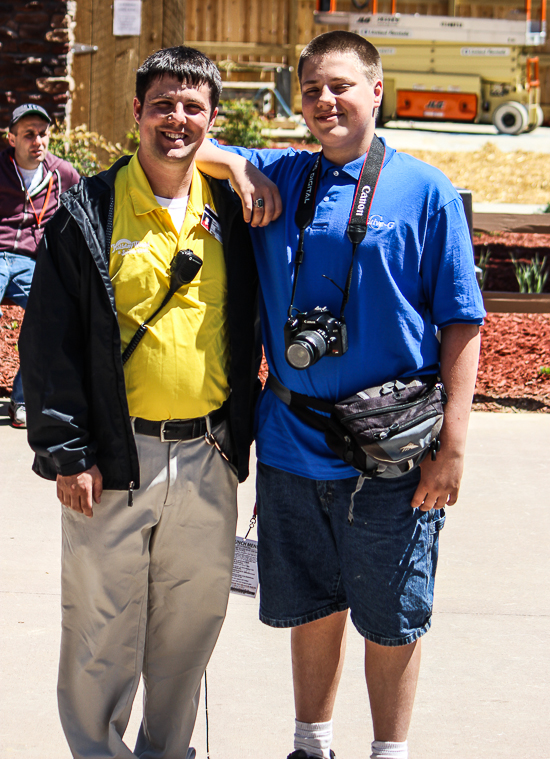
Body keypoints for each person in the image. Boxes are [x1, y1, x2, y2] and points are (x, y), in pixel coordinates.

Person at [196, 31, 485, 759]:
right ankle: (310, 742)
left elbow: (462, 320)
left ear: (377, 93)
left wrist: (452, 446)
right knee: (313, 605)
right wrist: (234, 160)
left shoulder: (425, 191)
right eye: (314, 88)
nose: (327, 100)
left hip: (394, 452)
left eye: (343, 86)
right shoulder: (280, 175)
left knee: (394, 615)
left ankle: (390, 750)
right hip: (293, 442)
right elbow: (178, 144)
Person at [19, 46, 279, 759]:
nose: (177, 119)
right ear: (136, 111)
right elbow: (49, 345)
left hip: (209, 454)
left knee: (189, 626)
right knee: (103, 627)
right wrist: (67, 452)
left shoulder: (235, 207)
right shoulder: (88, 211)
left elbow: (333, 142)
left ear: (214, 121)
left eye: (193, 107)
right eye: (162, 103)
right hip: (113, 457)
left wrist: (238, 162)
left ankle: (168, 751)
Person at [0, 103, 79, 428]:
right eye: (28, 134)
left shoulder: (62, 173)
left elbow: (86, 208)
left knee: (50, 318)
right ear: (12, 138)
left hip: (34, 261)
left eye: (43, 134)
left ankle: (21, 400)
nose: (38, 141)